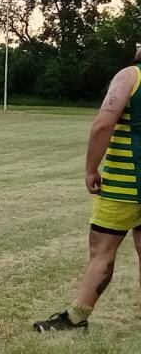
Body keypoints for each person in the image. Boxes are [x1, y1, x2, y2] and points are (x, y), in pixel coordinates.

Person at [34, 44, 141, 332]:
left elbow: (103, 125)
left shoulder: (130, 76)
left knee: (102, 252)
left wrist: (91, 169)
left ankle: (76, 318)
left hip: (126, 185)